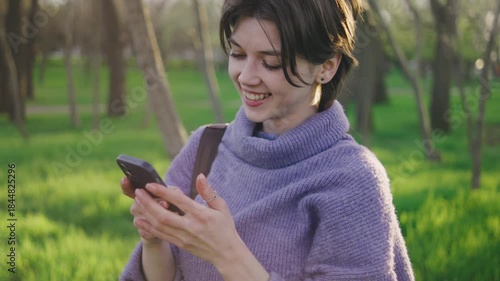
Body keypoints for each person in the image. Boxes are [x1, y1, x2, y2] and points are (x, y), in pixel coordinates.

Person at [120, 0, 415, 280]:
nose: (246, 77)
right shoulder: (206, 146)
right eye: (237, 54)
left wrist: (228, 254)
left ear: (326, 67)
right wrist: (155, 239)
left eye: (271, 62)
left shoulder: (352, 180)